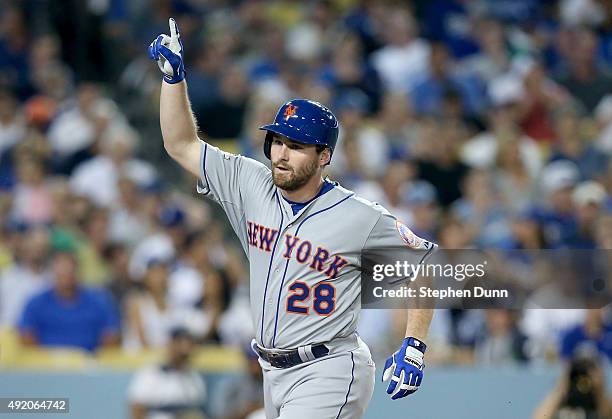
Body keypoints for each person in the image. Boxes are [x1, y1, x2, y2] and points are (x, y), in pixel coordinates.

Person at [148, 19, 437, 418]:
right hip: (271, 371)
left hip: (330, 368)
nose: (281, 153)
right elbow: (180, 144)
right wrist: (173, 80)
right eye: (277, 141)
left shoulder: (359, 216)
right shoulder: (250, 183)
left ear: (324, 157)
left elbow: (425, 265)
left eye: (296, 146)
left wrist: (415, 347)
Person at [18, 249, 120, 352]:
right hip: (47, 364)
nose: (66, 274)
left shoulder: (99, 301)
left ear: (78, 272)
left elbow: (111, 334)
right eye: (61, 271)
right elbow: (26, 335)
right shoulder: (36, 303)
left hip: (90, 362)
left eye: (69, 270)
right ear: (53, 272)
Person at [128, 327, 207, 419]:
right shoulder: (152, 373)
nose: (184, 349)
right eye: (179, 343)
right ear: (170, 345)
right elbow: (136, 407)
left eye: (188, 345)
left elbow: (197, 409)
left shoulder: (194, 377)